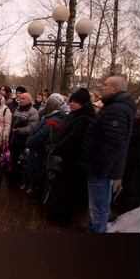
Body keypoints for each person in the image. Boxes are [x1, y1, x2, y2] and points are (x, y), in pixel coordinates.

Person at [78, 76, 136, 233]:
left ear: (115, 89)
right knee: (99, 204)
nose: (101, 87)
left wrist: (98, 167)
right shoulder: (114, 106)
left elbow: (114, 144)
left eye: (105, 85)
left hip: (102, 170)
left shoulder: (117, 109)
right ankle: (96, 227)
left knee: (99, 206)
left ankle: (97, 230)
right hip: (103, 169)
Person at [44, 88, 95, 225]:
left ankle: (63, 216)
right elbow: (61, 131)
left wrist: (57, 148)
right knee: (59, 188)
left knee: (67, 191)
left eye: (74, 102)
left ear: (82, 104)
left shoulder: (84, 119)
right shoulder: (73, 115)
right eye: (71, 101)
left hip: (71, 160)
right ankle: (55, 212)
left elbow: (72, 139)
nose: (71, 104)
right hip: (63, 158)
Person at [24, 94, 67, 202]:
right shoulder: (50, 117)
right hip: (38, 149)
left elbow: (41, 134)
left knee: (40, 172)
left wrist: (29, 142)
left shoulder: (53, 120)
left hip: (41, 150)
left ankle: (39, 195)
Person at [8, 92, 39, 187]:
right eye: (20, 98)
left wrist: (18, 130)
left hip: (24, 141)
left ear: (29, 100)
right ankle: (12, 179)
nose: (21, 100)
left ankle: (20, 182)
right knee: (14, 160)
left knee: (21, 162)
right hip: (14, 140)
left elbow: (31, 128)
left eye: (23, 98)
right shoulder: (17, 109)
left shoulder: (33, 112)